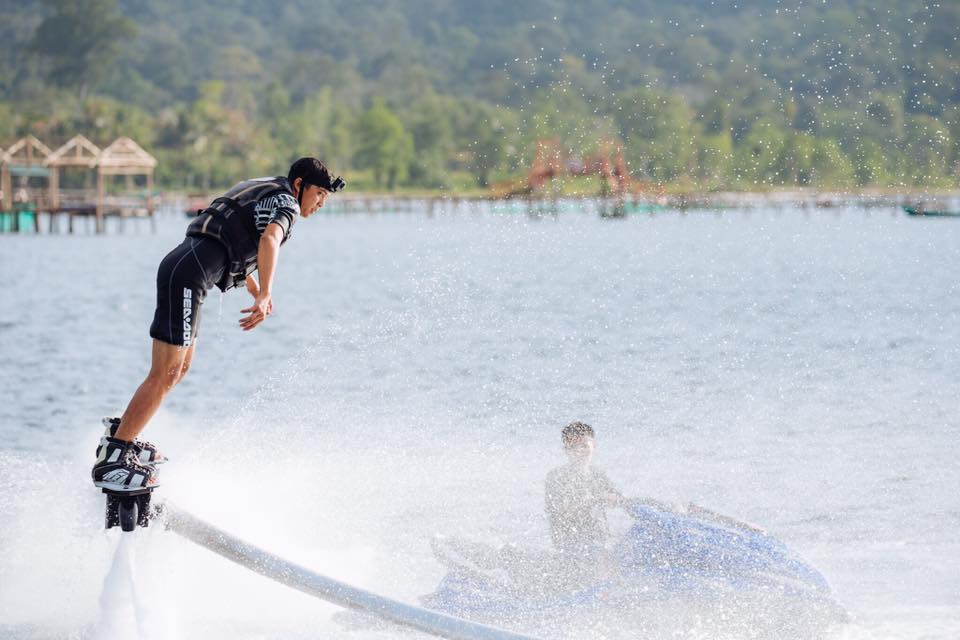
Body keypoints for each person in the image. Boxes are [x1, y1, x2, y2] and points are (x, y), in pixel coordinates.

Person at [91, 157, 345, 492]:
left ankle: (123, 434)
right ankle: (114, 459)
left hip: (185, 267)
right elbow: (269, 239)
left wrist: (253, 288)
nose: (322, 201)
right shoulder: (287, 203)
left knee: (178, 370)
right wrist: (266, 293)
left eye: (327, 196)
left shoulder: (266, 187)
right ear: (299, 185)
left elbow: (234, 237)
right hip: (189, 274)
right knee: (166, 372)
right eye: (319, 193)